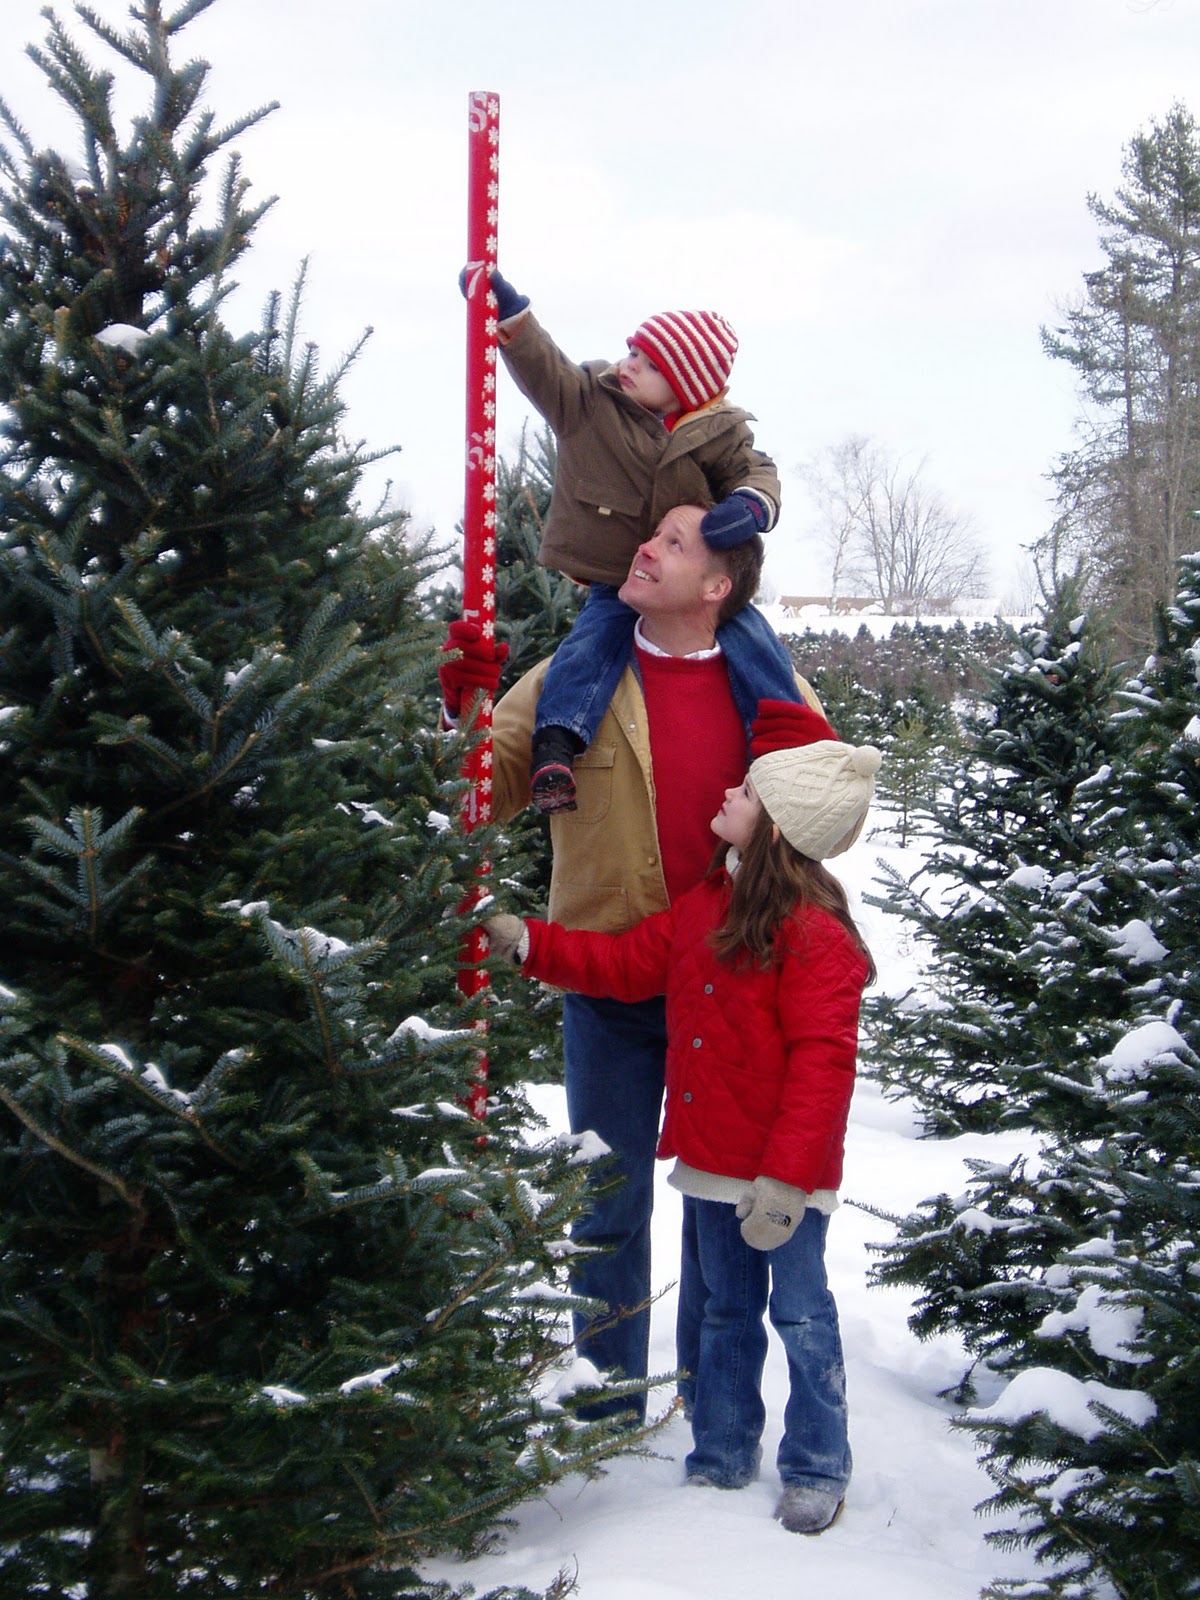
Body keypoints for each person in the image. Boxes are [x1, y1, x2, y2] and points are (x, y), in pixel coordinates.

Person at [438, 504, 825, 1425]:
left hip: (729, 995)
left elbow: (821, 817)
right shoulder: (575, 676)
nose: (644, 549)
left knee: (714, 1209)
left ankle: (706, 1399)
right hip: (608, 988)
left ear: (718, 585)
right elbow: (473, 801)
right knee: (607, 1201)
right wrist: (464, 708)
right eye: (649, 535)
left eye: (675, 544)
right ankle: (604, 1398)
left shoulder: (770, 687)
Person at [483, 716, 879, 1535]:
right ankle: (723, 1451)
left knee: (802, 1315)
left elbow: (823, 1069)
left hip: (782, 1178)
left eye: (747, 790)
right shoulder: (710, 903)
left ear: (777, 825)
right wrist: (529, 944)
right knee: (723, 1312)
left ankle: (816, 1464)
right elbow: (624, 964)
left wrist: (787, 1181)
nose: (729, 791)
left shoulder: (814, 936)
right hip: (710, 1163)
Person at [472, 268, 801, 813]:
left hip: (686, 591)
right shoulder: (590, 404)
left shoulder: (717, 433)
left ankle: (792, 749)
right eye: (632, 352)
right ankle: (555, 746)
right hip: (613, 578)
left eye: (649, 365)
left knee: (755, 641)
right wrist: (513, 317)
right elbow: (544, 367)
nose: (628, 366)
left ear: (685, 387)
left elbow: (755, 471)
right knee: (589, 648)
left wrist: (748, 504)